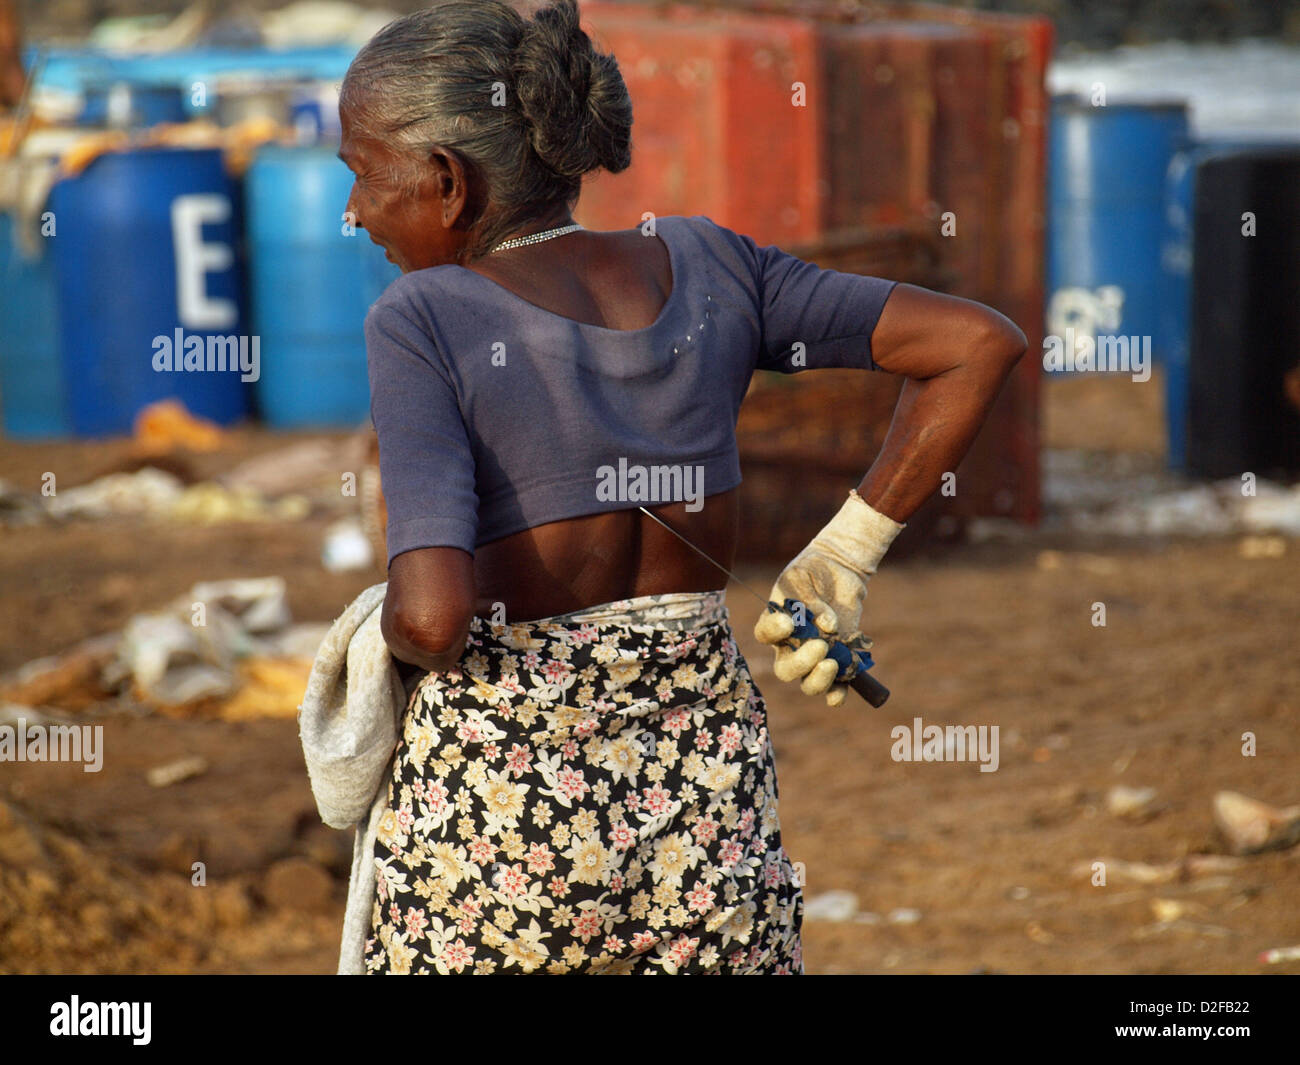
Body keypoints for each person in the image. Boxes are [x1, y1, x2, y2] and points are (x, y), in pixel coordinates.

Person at [339, 0, 1026, 975]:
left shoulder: (423, 317)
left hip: (509, 828)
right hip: (707, 807)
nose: (354, 213)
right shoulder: (712, 264)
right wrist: (845, 553)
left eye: (362, 175)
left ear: (447, 182)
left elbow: (436, 620)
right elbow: (973, 343)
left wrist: (370, 642)